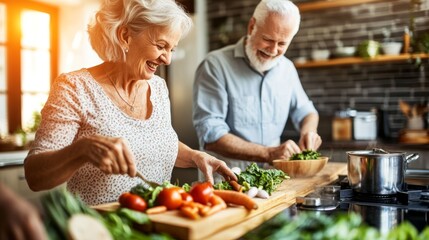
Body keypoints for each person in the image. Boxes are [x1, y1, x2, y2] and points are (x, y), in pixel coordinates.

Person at [24, 0, 236, 206]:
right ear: (125, 36)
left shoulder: (158, 88)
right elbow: (35, 176)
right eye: (161, 46)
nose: (167, 59)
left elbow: (154, 143)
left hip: (159, 226)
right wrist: (82, 150)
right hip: (103, 229)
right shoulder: (75, 87)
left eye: (171, 49)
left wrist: (195, 157)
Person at [192, 0, 322, 174]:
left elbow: (307, 111)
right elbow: (211, 135)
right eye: (268, 39)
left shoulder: (287, 68)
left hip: (272, 176)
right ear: (252, 27)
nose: (273, 50)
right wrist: (268, 153)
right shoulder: (214, 65)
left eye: (282, 44)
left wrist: (309, 132)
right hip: (227, 181)